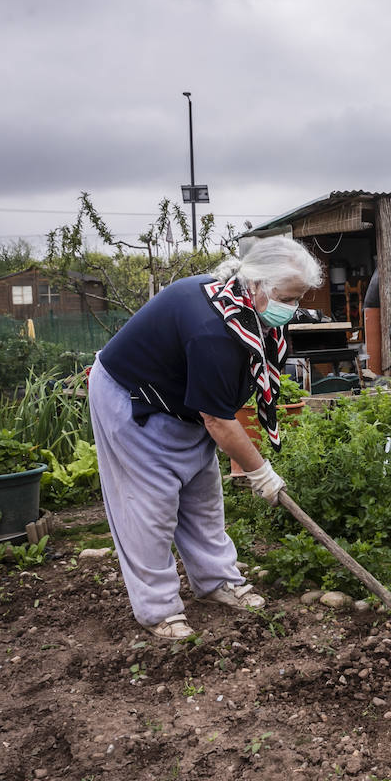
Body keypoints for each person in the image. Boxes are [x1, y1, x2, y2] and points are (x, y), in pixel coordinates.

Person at [88, 236, 324, 640]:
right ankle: (158, 608)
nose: (294, 307)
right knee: (151, 507)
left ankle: (217, 582)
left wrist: (248, 462)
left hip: (182, 402)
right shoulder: (211, 329)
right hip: (133, 398)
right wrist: (260, 473)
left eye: (299, 297)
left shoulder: (247, 312)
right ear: (257, 285)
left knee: (203, 496)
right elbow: (218, 419)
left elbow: (222, 405)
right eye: (289, 296)